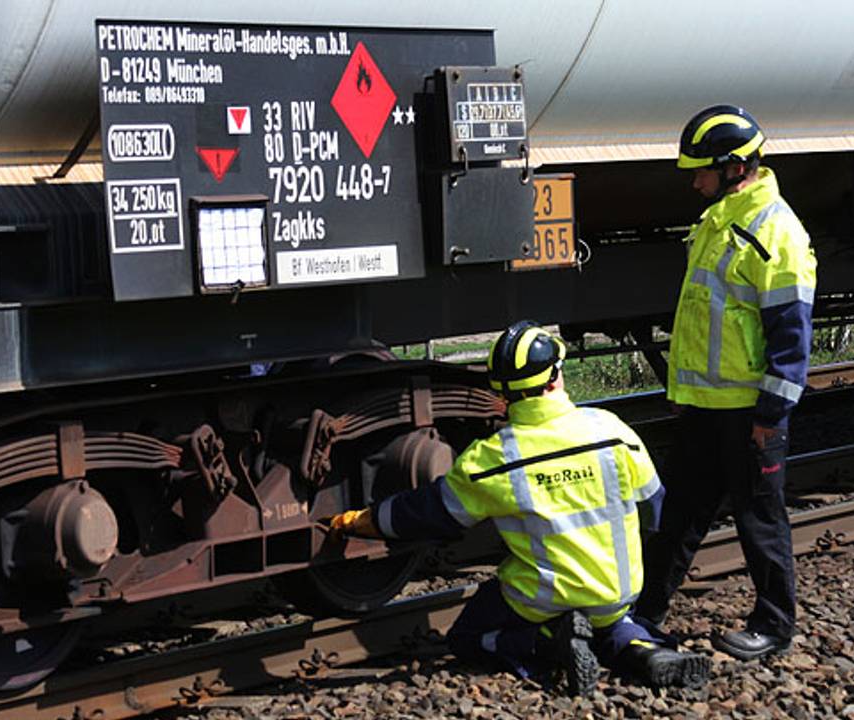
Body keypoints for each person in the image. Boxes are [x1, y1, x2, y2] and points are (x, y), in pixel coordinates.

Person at [330, 321, 710, 695]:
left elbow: (430, 511)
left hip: (542, 600)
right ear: (555, 378)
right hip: (615, 591)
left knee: (467, 637)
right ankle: (643, 650)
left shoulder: (494, 458)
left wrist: (364, 520)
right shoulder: (611, 430)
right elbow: (656, 509)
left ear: (501, 390)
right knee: (611, 623)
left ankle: (546, 642)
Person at [636, 106, 818, 661]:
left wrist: (771, 417)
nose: (695, 183)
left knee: (760, 520)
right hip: (705, 408)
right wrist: (683, 393)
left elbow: (791, 334)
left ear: (735, 168)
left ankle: (775, 626)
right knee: (678, 516)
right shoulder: (718, 221)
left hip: (749, 413)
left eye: (702, 172)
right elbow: (702, 316)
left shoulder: (776, 231)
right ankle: (645, 614)